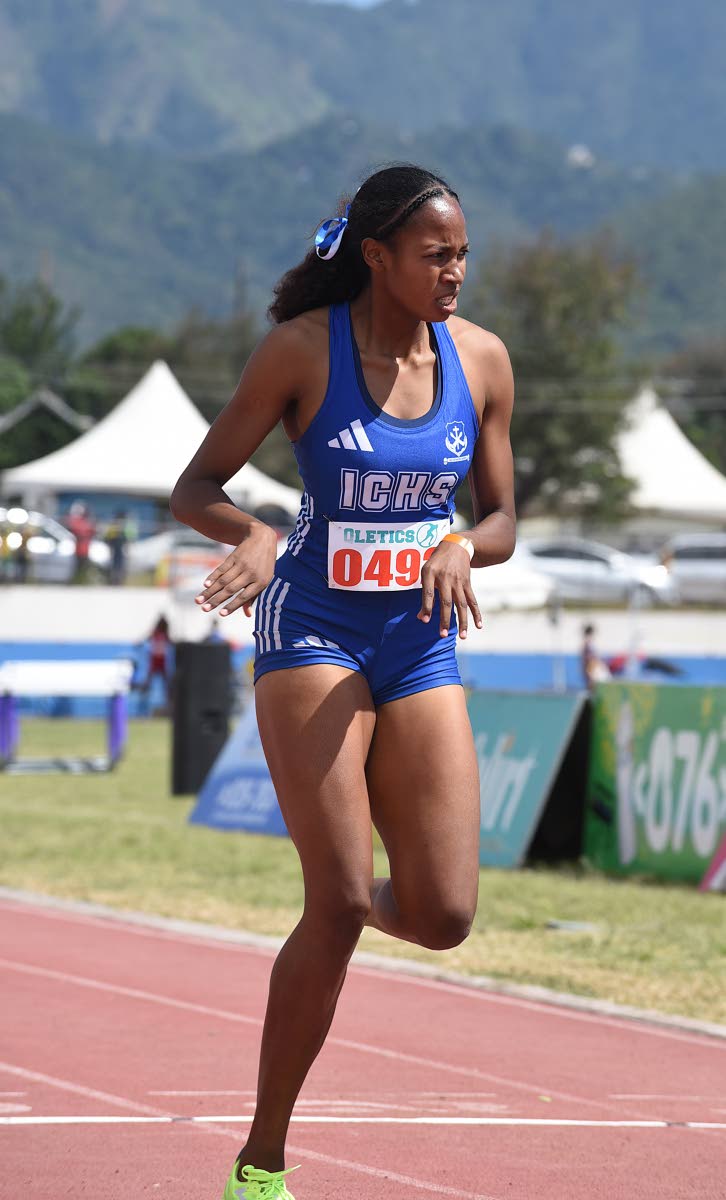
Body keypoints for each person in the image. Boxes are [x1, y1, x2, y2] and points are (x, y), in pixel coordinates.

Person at [170, 164, 516, 1200]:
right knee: (333, 904)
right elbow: (196, 487)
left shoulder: (484, 361)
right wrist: (260, 534)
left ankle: (341, 901)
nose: (455, 272)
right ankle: (263, 1160)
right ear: (376, 256)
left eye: (462, 254)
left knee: (446, 911)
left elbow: (502, 517)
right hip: (311, 627)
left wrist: (463, 543)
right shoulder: (300, 352)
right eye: (435, 254)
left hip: (418, 634)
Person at [65, 501, 96, 583]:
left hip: (86, 550)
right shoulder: (79, 522)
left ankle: (82, 580)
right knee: (77, 567)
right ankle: (77, 580)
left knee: (84, 567)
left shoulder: (88, 522)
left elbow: (93, 532)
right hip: (78, 550)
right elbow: (72, 528)